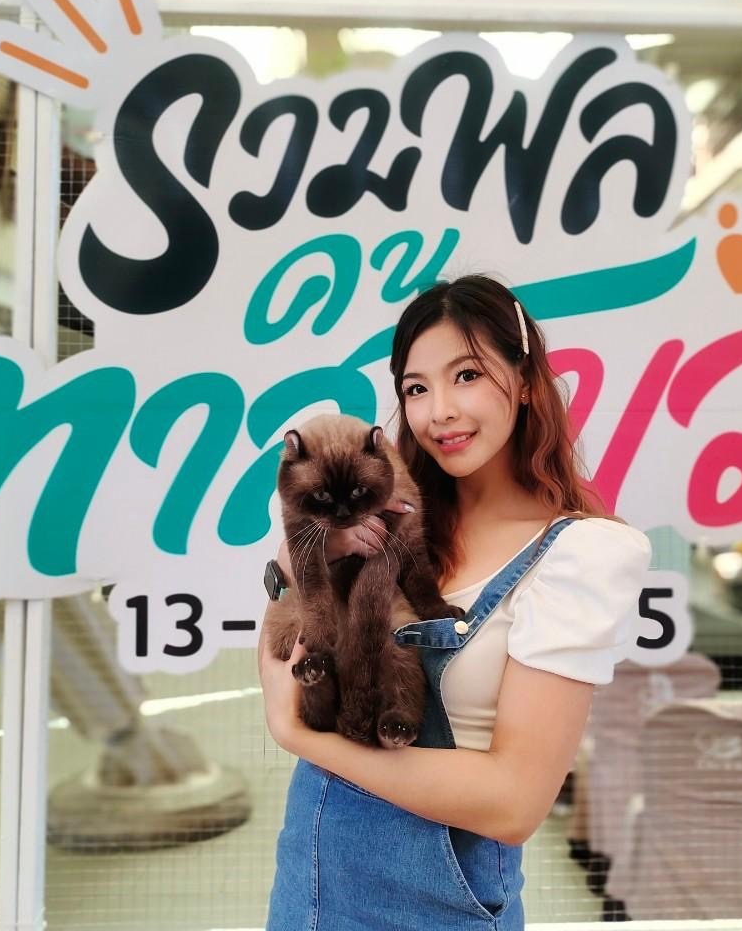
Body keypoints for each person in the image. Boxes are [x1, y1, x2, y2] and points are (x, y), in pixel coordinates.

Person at [258, 273, 652, 929]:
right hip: (309, 882)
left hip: (437, 908)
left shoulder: (578, 555)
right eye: (416, 388)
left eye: (466, 375)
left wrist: (296, 735)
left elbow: (514, 804)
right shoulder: (383, 518)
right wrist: (306, 554)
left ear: (524, 381)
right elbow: (288, 644)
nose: (438, 411)